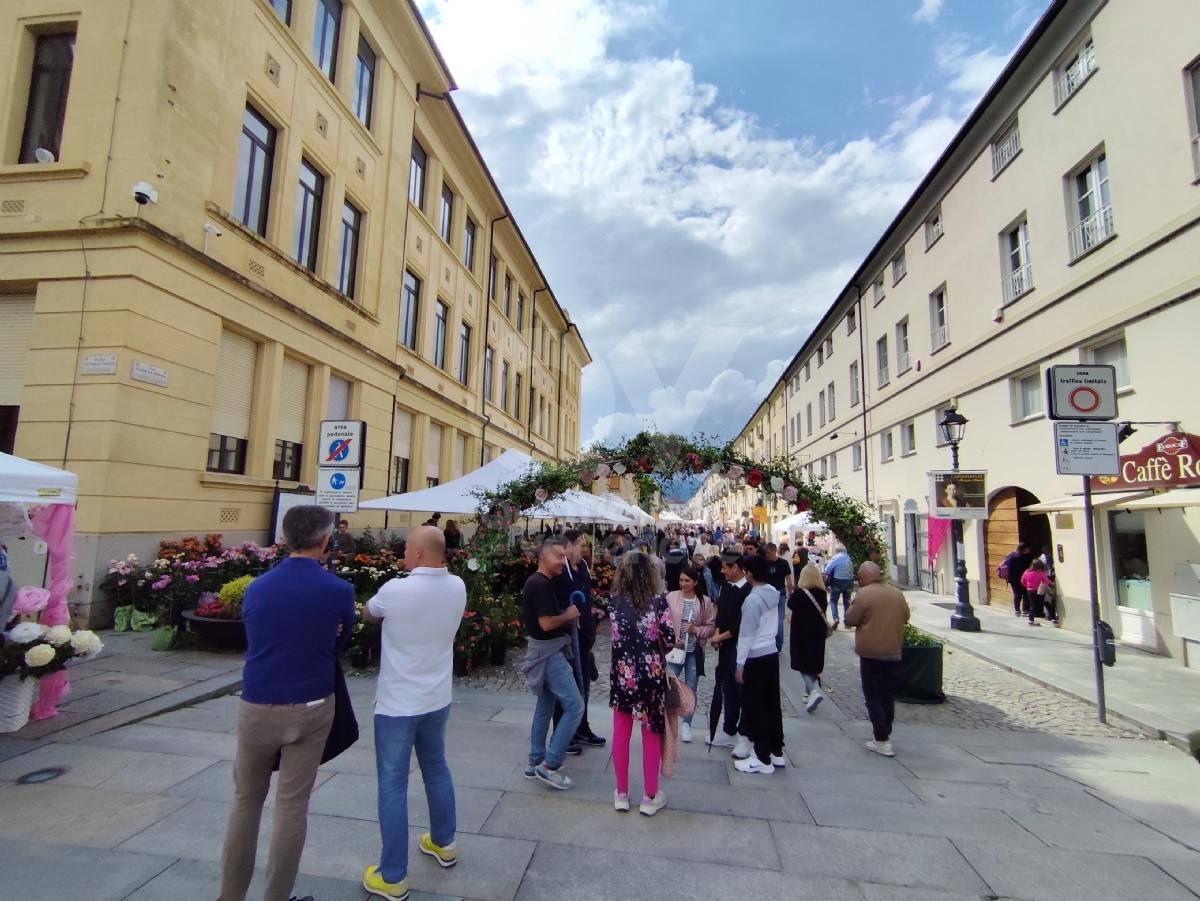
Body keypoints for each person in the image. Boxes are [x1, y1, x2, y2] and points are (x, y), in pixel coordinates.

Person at [219, 505, 355, 901]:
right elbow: (340, 644)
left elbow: (255, 634)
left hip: (257, 702)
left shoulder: (257, 587)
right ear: (325, 540)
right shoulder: (338, 590)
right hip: (310, 703)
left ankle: (229, 896)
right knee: (291, 807)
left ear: (285, 538)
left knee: (246, 800)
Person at [361, 526, 466, 901]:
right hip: (436, 698)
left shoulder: (395, 589)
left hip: (397, 703)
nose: (404, 552)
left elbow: (369, 612)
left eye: (407, 547)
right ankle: (444, 841)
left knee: (392, 784)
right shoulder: (457, 587)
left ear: (419, 553)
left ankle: (392, 876)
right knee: (436, 767)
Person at [608, 552, 675, 815]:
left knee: (621, 732)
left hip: (623, 675)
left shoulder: (613, 602)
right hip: (650, 675)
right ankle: (649, 796)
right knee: (651, 732)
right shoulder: (658, 602)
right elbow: (669, 641)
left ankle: (622, 793)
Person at [520, 537, 584, 790]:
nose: (563, 561)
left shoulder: (541, 582)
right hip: (550, 654)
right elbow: (545, 624)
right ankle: (550, 765)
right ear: (543, 558)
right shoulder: (540, 584)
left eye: (564, 556)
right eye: (558, 557)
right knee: (575, 706)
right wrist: (567, 615)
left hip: (544, 652)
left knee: (544, 707)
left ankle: (534, 762)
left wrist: (565, 618)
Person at [845, 562, 910, 757]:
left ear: (865, 575)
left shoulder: (864, 594)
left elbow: (850, 620)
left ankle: (881, 738)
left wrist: (850, 609)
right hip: (892, 650)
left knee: (872, 694)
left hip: (871, 652)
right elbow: (906, 616)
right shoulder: (896, 593)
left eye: (859, 575)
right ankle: (886, 732)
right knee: (887, 693)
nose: (859, 579)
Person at [734, 555, 785, 774]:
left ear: (750, 573)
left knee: (756, 706)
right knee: (772, 704)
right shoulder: (773, 593)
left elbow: (746, 635)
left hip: (755, 655)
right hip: (771, 653)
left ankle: (761, 756)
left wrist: (739, 664)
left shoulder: (753, 600)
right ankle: (776, 751)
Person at [557, 529, 606, 749]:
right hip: (567, 636)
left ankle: (582, 727)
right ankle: (565, 733)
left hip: (585, 635)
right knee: (568, 686)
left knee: (584, 684)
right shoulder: (561, 571)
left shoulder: (583, 566)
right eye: (581, 544)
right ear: (568, 546)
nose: (585, 548)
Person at [664, 566, 715, 743]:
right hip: (674, 650)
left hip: (694, 651)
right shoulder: (671, 597)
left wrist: (696, 630)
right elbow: (663, 620)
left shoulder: (705, 602)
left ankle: (687, 722)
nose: (683, 583)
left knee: (691, 687)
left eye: (687, 580)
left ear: (695, 582)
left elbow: (710, 627)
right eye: (681, 580)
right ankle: (667, 720)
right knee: (669, 685)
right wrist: (671, 638)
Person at [707, 555, 750, 752]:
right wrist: (716, 635)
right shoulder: (727, 587)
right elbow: (720, 612)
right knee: (727, 687)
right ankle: (729, 729)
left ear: (735, 568)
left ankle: (744, 733)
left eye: (725, 568)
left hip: (738, 647)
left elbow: (741, 623)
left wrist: (721, 637)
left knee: (740, 690)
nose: (722, 571)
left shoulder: (747, 590)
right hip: (725, 646)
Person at [787, 564, 829, 713]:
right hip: (818, 632)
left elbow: (790, 604)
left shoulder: (800, 593)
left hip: (801, 632)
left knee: (801, 663)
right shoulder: (822, 594)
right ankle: (807, 693)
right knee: (813, 662)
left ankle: (813, 690)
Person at [762, 543, 792, 652]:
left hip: (780, 593)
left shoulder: (783, 563)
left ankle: (778, 645)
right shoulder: (765, 563)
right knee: (769, 619)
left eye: (769, 553)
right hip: (767, 594)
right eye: (766, 554)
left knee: (779, 621)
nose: (767, 555)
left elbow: (788, 579)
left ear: (775, 551)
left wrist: (790, 593)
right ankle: (771, 643)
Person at [824, 545, 855, 629]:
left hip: (838, 581)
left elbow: (827, 569)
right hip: (849, 581)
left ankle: (836, 618)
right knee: (847, 602)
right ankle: (847, 622)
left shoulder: (836, 557)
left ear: (837, 550)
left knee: (833, 600)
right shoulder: (850, 558)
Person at [1001, 543, 1034, 616]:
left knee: (1017, 594)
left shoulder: (1013, 555)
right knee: (1025, 594)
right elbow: (1029, 567)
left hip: (1013, 578)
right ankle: (1025, 610)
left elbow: (1009, 567)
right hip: (1024, 578)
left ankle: (1017, 610)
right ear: (1025, 549)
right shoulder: (1027, 557)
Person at [1021, 559, 1055, 627]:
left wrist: (1027, 586)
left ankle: (1031, 620)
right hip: (1038, 590)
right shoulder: (1040, 573)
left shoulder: (1027, 572)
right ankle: (1054, 619)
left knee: (1033, 605)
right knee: (1046, 603)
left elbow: (1022, 581)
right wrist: (1052, 584)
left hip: (1029, 591)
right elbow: (1047, 581)